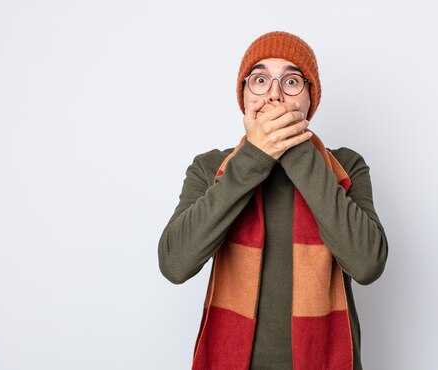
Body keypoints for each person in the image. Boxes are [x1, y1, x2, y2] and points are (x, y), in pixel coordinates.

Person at [158, 31, 388, 370]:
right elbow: (175, 264)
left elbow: (368, 264)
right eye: (261, 79)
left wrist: (294, 150)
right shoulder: (211, 168)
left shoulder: (346, 166)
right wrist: (254, 157)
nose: (275, 95)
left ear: (311, 99)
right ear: (244, 96)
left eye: (291, 81)